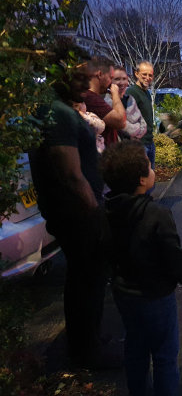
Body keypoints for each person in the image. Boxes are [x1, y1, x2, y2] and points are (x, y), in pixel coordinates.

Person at [29, 55, 117, 369]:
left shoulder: (56, 109)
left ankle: (88, 340)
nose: (86, 86)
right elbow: (70, 173)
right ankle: (87, 352)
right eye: (80, 79)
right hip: (79, 215)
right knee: (87, 281)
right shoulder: (59, 114)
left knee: (84, 279)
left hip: (75, 212)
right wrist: (95, 212)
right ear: (62, 77)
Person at [99, 140, 182, 396]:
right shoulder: (157, 214)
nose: (153, 169)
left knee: (135, 347)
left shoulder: (106, 211)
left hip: (124, 294)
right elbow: (174, 258)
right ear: (141, 180)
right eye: (149, 166)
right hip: (156, 298)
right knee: (165, 354)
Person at [82, 56, 126, 147]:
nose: (111, 83)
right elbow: (121, 121)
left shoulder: (94, 97)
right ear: (100, 74)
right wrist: (115, 95)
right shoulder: (90, 98)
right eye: (111, 77)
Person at [126, 61, 156, 168]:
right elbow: (128, 121)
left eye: (150, 75)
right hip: (139, 145)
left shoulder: (147, 92)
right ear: (136, 74)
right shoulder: (132, 92)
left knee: (150, 181)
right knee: (142, 182)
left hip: (150, 142)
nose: (147, 77)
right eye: (144, 74)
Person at [105, 66, 147, 141]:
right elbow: (121, 124)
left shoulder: (130, 99)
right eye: (117, 79)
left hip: (134, 147)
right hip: (118, 148)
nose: (121, 83)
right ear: (110, 81)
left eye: (124, 79)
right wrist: (136, 130)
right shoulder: (106, 101)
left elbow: (143, 124)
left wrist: (137, 132)